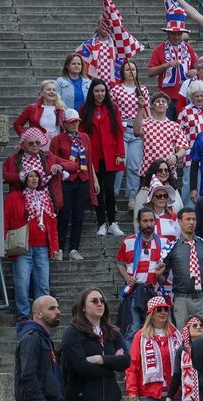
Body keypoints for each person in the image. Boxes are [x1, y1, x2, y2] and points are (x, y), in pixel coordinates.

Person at [4, 169, 59, 320]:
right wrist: (4, 242)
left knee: (43, 285)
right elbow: (5, 220)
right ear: (24, 179)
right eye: (31, 176)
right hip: (22, 248)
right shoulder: (14, 197)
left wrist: (54, 247)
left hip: (42, 247)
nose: (34, 179)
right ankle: (23, 315)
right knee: (22, 284)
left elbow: (53, 224)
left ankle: (43, 315)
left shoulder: (45, 197)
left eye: (37, 176)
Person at [155, 208, 203, 322]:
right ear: (179, 221)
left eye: (194, 219)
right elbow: (163, 278)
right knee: (182, 336)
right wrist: (158, 275)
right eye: (188, 219)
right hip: (182, 299)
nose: (191, 222)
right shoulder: (171, 247)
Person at [115, 208, 170, 340]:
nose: (148, 224)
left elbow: (166, 273)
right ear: (139, 222)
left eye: (151, 220)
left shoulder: (164, 243)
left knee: (155, 329)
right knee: (133, 328)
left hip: (154, 290)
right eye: (145, 221)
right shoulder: (128, 241)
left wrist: (160, 274)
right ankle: (130, 360)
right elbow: (119, 263)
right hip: (134, 290)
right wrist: (127, 277)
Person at [79, 78, 125, 235]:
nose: (100, 94)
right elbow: (82, 134)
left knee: (109, 189)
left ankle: (112, 222)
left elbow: (119, 132)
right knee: (97, 190)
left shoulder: (113, 108)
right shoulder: (84, 109)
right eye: (97, 91)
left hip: (111, 154)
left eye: (102, 91)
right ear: (92, 92)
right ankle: (101, 224)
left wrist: (120, 153)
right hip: (94, 156)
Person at [50, 109, 95, 261]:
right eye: (71, 122)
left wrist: (93, 179)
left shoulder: (85, 137)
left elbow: (89, 160)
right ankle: (60, 248)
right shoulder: (57, 139)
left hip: (83, 179)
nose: (75, 124)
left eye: (77, 122)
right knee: (63, 216)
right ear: (64, 124)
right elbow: (52, 159)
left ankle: (74, 248)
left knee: (78, 216)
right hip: (65, 180)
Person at [108, 60, 151, 206]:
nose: (131, 72)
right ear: (122, 72)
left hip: (137, 130)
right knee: (120, 164)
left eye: (133, 69)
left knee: (134, 164)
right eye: (127, 69)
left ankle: (132, 196)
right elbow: (111, 111)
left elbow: (147, 112)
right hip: (121, 129)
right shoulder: (116, 90)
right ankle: (113, 195)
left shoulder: (142, 89)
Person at [147, 8, 197, 116]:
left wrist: (194, 71)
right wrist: (166, 65)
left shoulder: (189, 48)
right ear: (168, 33)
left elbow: (197, 67)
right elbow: (150, 72)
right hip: (166, 97)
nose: (176, 37)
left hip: (185, 96)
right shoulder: (159, 49)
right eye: (173, 33)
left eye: (179, 34)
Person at [133, 92, 188, 177]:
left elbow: (183, 148)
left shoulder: (174, 126)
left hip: (168, 171)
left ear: (167, 106)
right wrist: (140, 108)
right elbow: (136, 131)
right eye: (158, 101)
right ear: (152, 105)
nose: (161, 103)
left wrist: (175, 157)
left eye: (163, 101)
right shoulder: (145, 123)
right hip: (148, 170)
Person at [176, 80, 203, 208]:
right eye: (196, 96)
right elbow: (178, 133)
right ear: (191, 96)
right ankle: (188, 212)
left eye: (202, 95)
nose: (199, 98)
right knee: (190, 185)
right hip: (191, 154)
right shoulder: (185, 111)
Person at [13, 79, 66, 151]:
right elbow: (17, 124)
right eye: (48, 89)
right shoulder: (32, 108)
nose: (52, 92)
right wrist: (26, 137)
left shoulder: (61, 109)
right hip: (38, 147)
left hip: (57, 145)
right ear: (41, 93)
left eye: (54, 90)